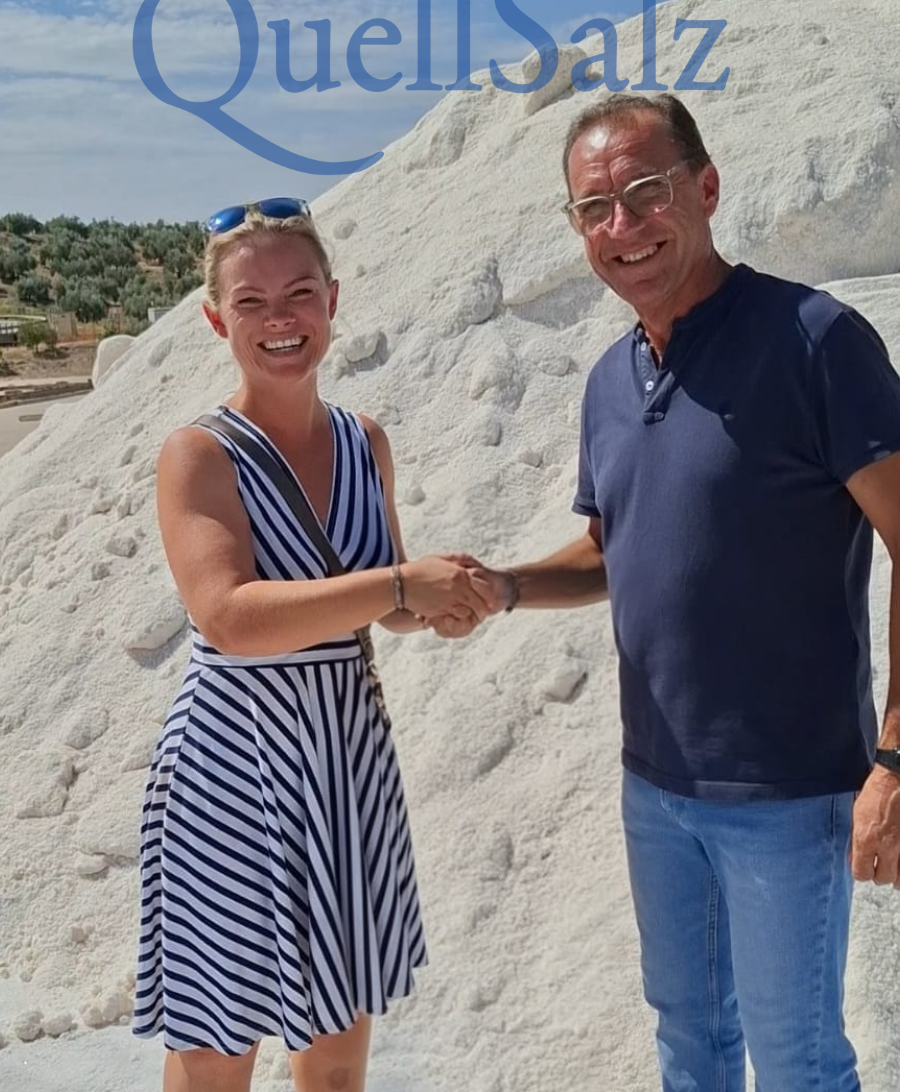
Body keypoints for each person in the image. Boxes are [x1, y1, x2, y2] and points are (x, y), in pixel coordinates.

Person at [454, 93, 900, 1091]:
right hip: (655, 787)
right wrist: (504, 587)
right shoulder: (609, 382)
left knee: (799, 1066)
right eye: (594, 208)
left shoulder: (814, 341)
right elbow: (615, 553)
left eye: (645, 192)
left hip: (788, 793)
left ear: (706, 187)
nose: (623, 226)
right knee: (689, 1049)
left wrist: (897, 757)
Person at [132, 198, 489, 1092]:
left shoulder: (365, 442)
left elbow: (376, 601)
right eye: (250, 302)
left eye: (299, 294)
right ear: (216, 320)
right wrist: (400, 587)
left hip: (343, 769)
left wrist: (440, 602)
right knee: (216, 1057)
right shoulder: (198, 454)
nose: (279, 319)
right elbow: (230, 617)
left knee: (334, 1060)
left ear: (332, 299)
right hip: (234, 771)